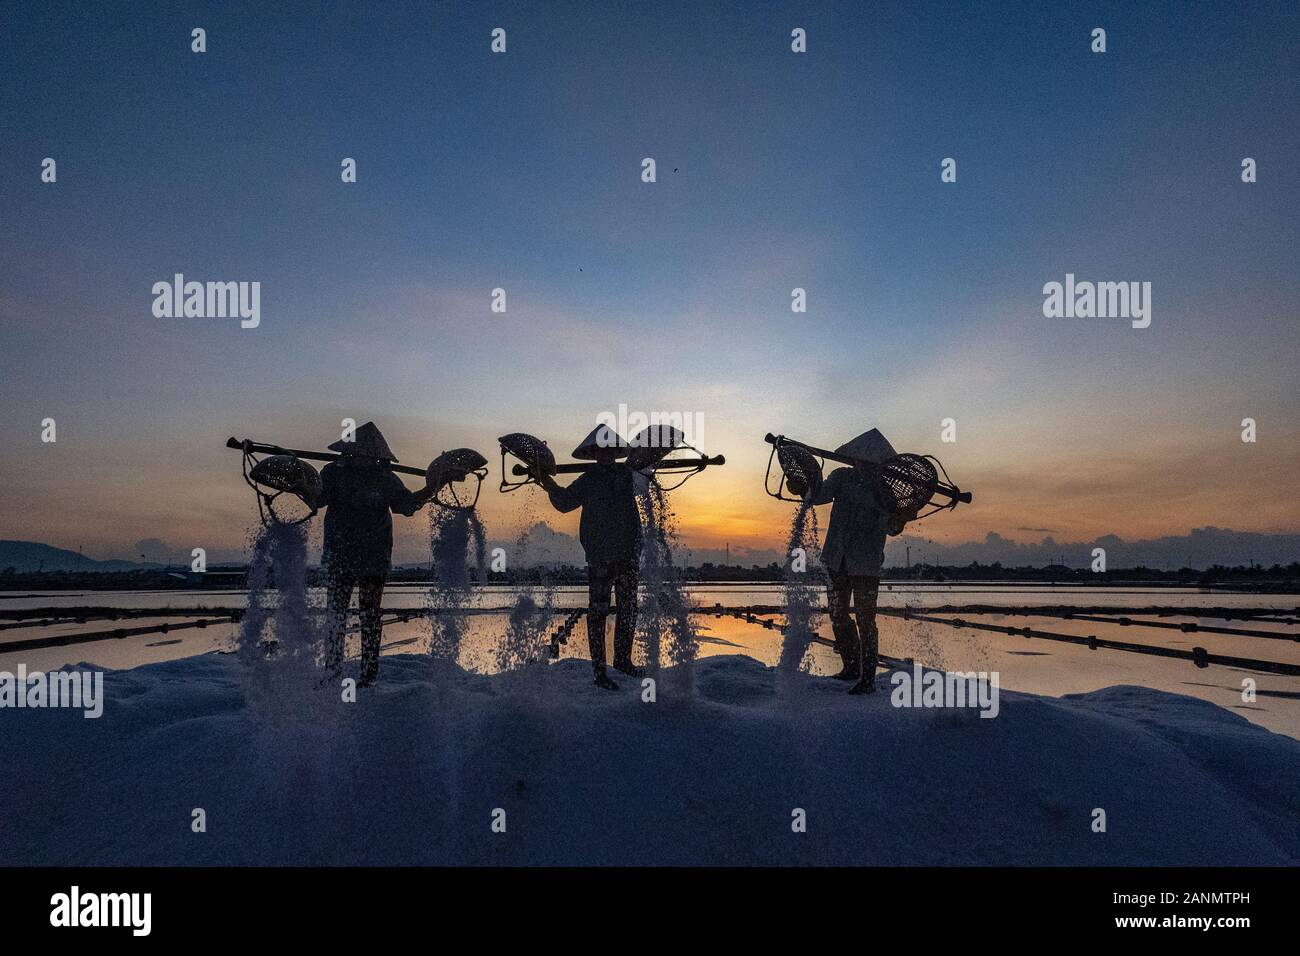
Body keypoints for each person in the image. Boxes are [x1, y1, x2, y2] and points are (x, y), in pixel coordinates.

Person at [315, 422, 438, 686]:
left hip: (373, 555)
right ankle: (332, 672)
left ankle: (368, 675)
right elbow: (316, 499)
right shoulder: (333, 473)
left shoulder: (385, 478)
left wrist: (432, 487)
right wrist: (300, 483)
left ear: (373, 456)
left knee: (370, 612)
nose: (357, 457)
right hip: (340, 553)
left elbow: (406, 505)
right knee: (335, 612)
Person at [534, 425, 643, 689]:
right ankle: (599, 671)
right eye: (599, 452)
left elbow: (646, 476)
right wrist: (545, 481)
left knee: (628, 609)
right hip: (600, 556)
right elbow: (563, 501)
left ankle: (623, 661)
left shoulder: (629, 475)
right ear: (594, 454)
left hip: (628, 552)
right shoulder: (588, 479)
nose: (604, 456)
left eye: (609, 451)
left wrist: (650, 463)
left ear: (616, 453)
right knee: (598, 612)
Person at [810, 428, 917, 695]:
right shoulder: (841, 477)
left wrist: (904, 517)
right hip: (837, 558)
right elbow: (816, 496)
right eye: (861, 459)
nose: (864, 465)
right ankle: (851, 667)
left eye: (870, 462)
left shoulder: (885, 492)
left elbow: (892, 528)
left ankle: (867, 678)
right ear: (854, 458)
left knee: (866, 619)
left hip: (866, 564)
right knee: (837, 614)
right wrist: (804, 479)